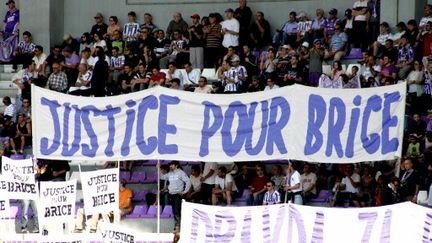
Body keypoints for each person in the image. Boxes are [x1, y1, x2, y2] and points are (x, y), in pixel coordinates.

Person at [167, 160, 191, 230]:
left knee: (177, 210)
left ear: (176, 165)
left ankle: (177, 227)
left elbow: (188, 181)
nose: (170, 166)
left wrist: (184, 192)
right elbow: (164, 177)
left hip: (178, 194)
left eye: (172, 165)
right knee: (174, 210)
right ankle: (177, 226)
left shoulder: (181, 172)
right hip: (171, 194)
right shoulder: (170, 173)